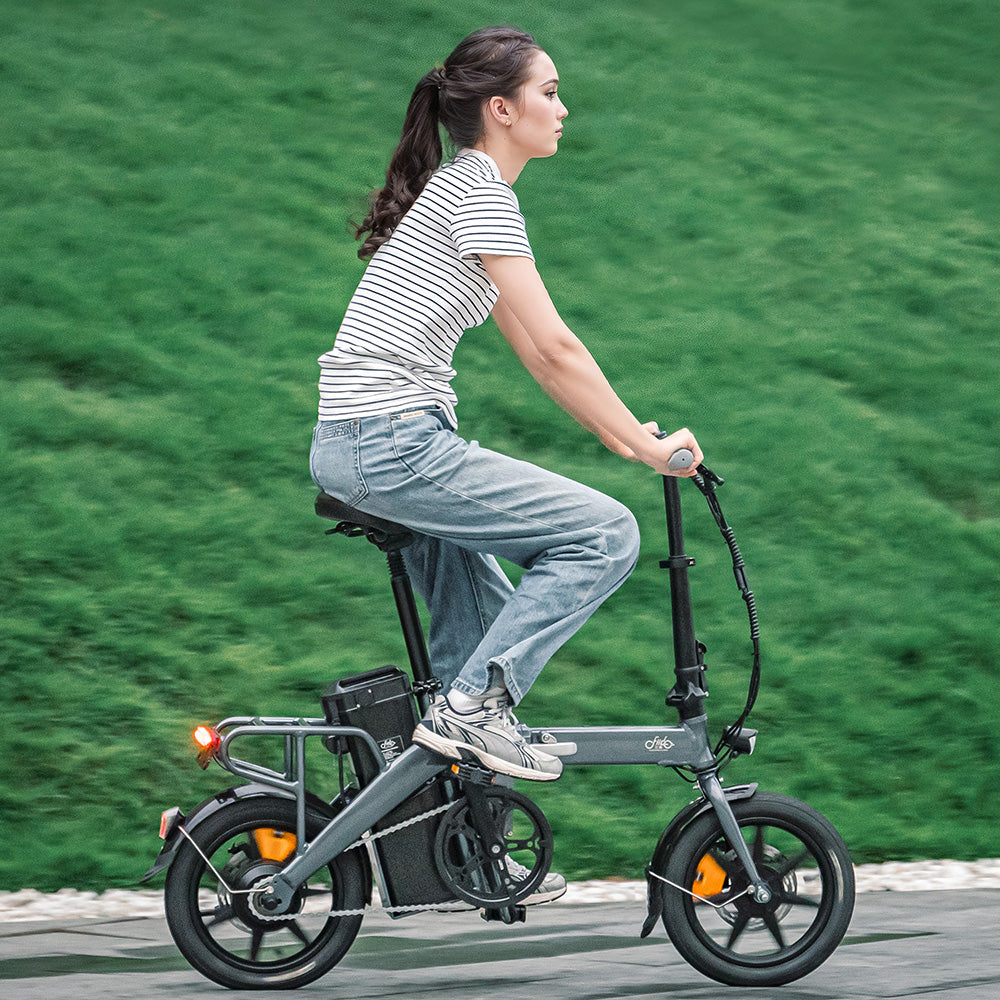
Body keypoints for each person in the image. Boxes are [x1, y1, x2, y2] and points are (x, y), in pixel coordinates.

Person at [310, 27, 702, 788]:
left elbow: (536, 357)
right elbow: (557, 348)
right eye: (548, 94)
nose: (563, 110)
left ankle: (470, 837)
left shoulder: (461, 193)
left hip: (375, 439)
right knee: (604, 534)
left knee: (487, 622)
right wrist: (650, 454)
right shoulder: (478, 193)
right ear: (501, 109)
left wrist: (628, 441)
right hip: (387, 441)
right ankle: (473, 712)